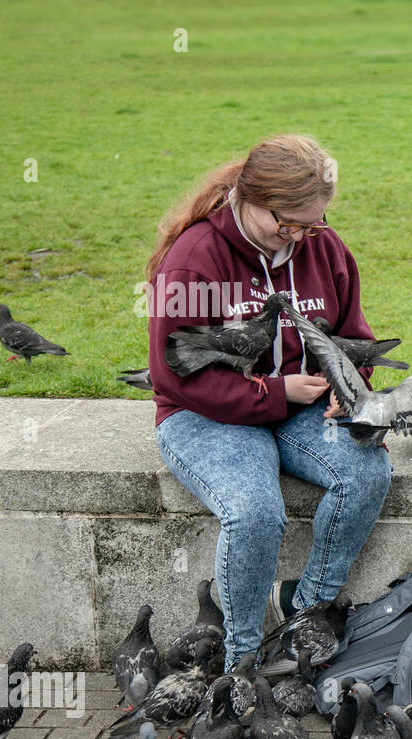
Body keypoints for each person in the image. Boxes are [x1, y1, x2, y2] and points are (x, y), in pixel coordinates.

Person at [146, 134, 391, 672]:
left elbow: (352, 338)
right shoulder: (194, 258)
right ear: (250, 198)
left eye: (314, 222)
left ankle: (304, 613)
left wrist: (347, 389)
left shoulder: (323, 247)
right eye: (288, 222)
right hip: (206, 414)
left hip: (302, 410)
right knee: (255, 512)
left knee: (367, 470)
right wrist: (274, 392)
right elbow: (174, 371)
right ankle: (242, 664)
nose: (301, 235)